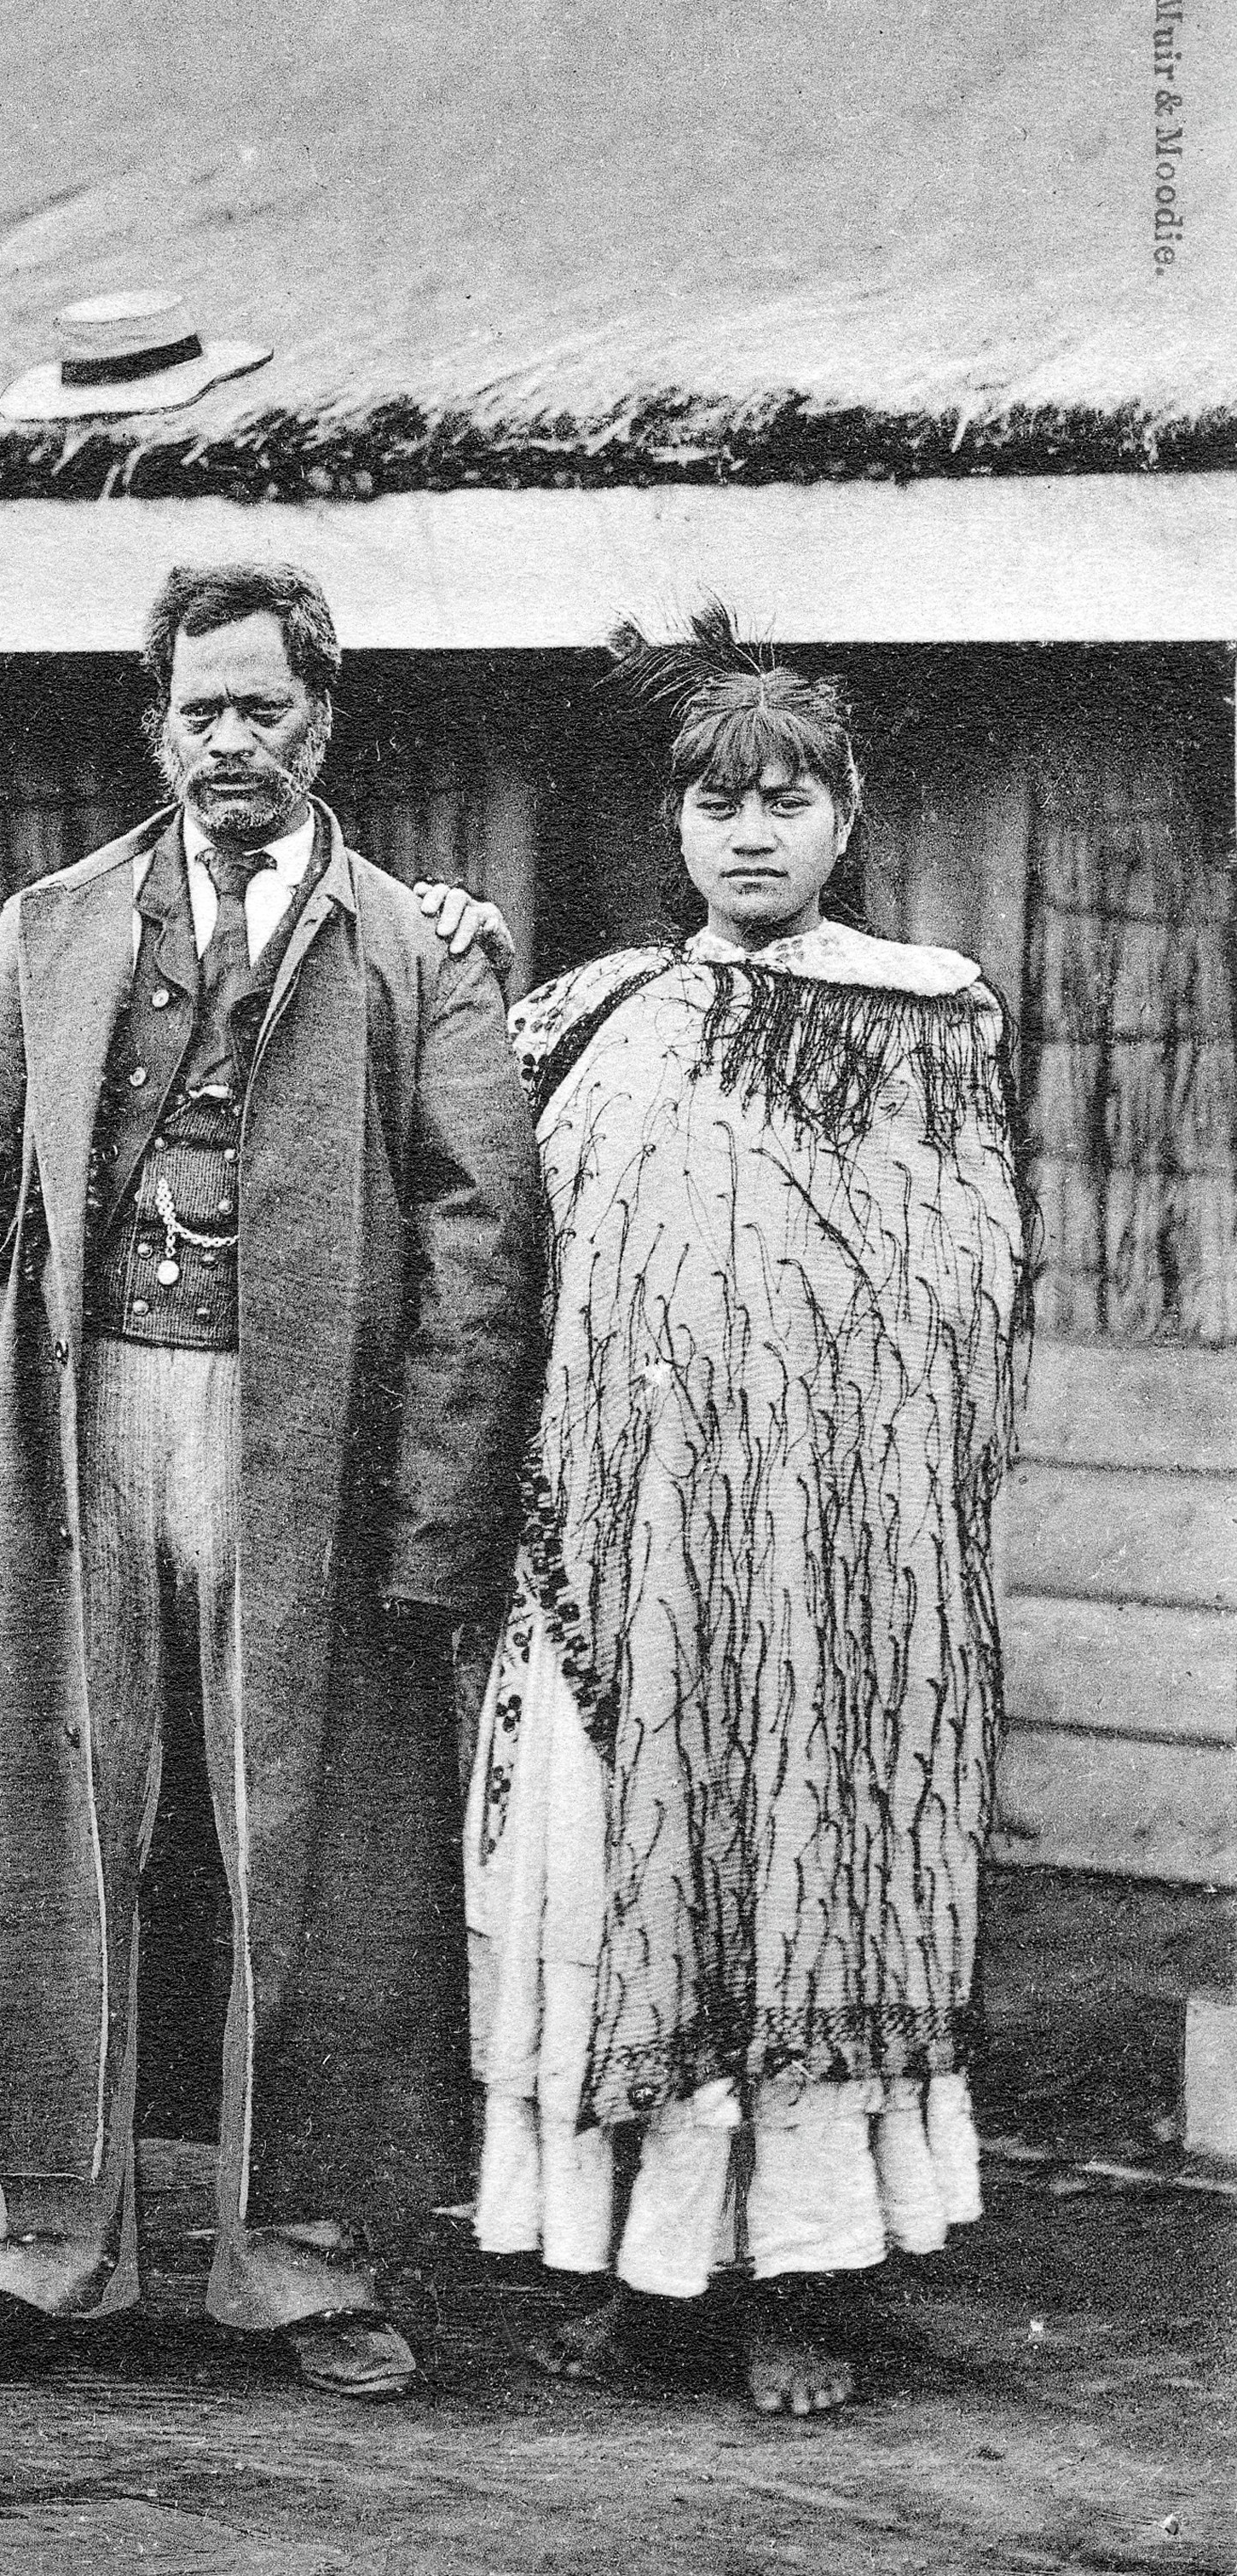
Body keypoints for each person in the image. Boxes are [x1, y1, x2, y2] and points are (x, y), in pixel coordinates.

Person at [0, 560, 543, 2399]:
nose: (231, 738)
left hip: (311, 1453)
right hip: (80, 1432)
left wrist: (439, 1514)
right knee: (58, 1818)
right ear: (157, 723)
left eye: (263, 706)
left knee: (305, 1837)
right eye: (199, 707)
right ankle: (39, 2243)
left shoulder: (418, 950)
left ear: (325, 719)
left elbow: (481, 1247)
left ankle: (299, 2256)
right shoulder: (55, 926)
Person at [465, 609, 1030, 2417]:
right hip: (615, 1542)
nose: (750, 833)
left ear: (845, 816)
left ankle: (800, 2282)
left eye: (787, 801)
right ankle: (646, 2276)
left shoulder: (920, 1015)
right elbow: (513, 1245)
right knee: (612, 1871)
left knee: (801, 1870)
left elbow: (956, 1282)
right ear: (674, 821)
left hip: (831, 1558)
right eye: (717, 803)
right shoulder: (590, 1017)